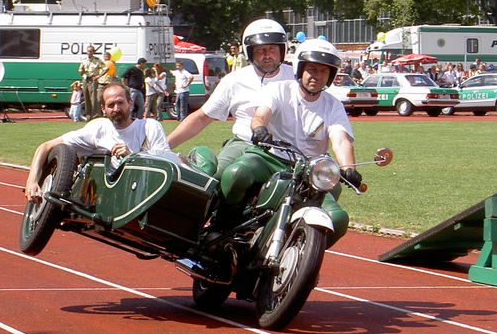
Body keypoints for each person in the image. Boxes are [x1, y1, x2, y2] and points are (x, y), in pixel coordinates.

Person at [218, 38, 360, 245]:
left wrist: (348, 168)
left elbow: (340, 139)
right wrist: (259, 129)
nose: (316, 76)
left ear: (330, 75)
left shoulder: (333, 105)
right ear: (300, 69)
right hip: (268, 157)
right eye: (311, 69)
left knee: (338, 218)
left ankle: (301, 257)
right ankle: (223, 226)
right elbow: (261, 114)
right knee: (236, 173)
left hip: (308, 173)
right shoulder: (280, 89)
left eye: (323, 71)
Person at [166, 18, 295, 175]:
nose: (267, 55)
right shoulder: (234, 80)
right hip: (244, 144)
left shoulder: (296, 78)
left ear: (282, 50)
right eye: (260, 50)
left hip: (287, 148)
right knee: (221, 177)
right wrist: (164, 146)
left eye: (272, 49)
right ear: (250, 52)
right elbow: (201, 118)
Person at [24, 83, 171, 203]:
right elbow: (45, 147)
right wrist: (32, 182)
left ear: (130, 103)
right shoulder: (98, 128)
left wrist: (133, 156)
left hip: (145, 193)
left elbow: (167, 163)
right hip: (110, 196)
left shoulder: (150, 126)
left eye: (120, 103)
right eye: (111, 105)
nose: (116, 109)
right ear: (103, 109)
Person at [77, 45, 106, 119]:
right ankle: (88, 116)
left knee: (93, 99)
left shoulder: (97, 60)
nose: (89, 52)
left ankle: (95, 115)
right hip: (85, 80)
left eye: (91, 51)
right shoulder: (84, 60)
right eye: (88, 51)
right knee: (86, 98)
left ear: (93, 52)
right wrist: (82, 71)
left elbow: (106, 68)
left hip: (93, 80)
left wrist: (98, 76)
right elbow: (80, 71)